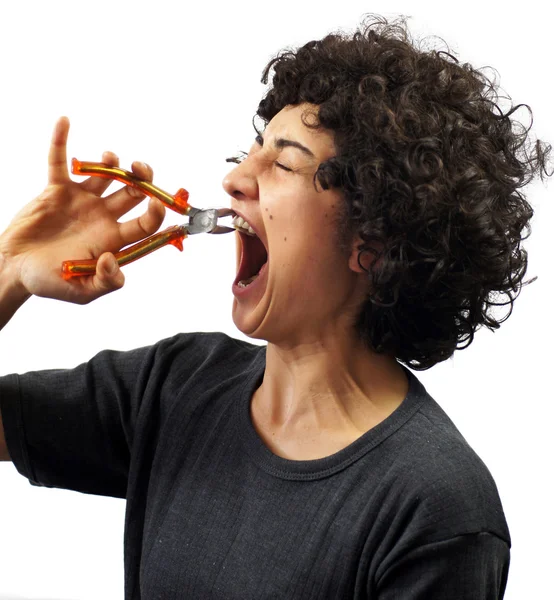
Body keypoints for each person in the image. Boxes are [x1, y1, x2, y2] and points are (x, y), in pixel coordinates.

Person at [0, 15, 550, 600]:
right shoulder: (177, 386)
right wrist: (10, 272)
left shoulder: (435, 507)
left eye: (283, 164)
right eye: (249, 152)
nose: (234, 179)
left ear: (374, 240)